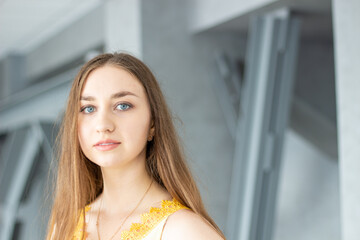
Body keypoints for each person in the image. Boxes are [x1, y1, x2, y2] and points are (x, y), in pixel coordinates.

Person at [46, 52, 225, 240]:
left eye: (122, 105)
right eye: (88, 109)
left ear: (153, 123)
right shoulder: (65, 227)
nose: (103, 125)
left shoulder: (185, 231)